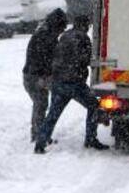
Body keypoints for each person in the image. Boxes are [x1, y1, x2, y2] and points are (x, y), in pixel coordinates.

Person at [35, 15, 108, 153]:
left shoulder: (65, 35)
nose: (88, 28)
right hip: (74, 83)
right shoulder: (82, 38)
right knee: (93, 106)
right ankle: (91, 139)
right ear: (85, 25)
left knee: (53, 114)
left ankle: (40, 143)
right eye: (88, 25)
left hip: (58, 82)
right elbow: (85, 59)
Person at [23, 8, 68, 142]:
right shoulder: (45, 37)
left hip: (32, 75)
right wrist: (49, 74)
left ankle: (39, 133)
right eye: (62, 28)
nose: (62, 31)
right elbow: (47, 59)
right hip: (35, 76)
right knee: (41, 104)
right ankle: (38, 135)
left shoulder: (44, 33)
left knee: (41, 103)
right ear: (56, 24)